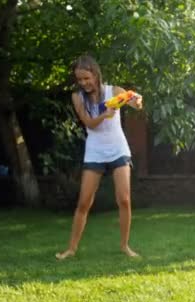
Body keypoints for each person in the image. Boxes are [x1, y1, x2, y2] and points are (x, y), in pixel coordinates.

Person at [56, 55, 142, 260]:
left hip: (118, 149)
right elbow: (88, 123)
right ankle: (71, 249)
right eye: (80, 80)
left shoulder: (115, 91)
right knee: (84, 202)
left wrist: (137, 100)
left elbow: (135, 102)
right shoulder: (77, 97)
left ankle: (124, 246)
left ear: (95, 74)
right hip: (95, 150)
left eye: (87, 78)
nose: (84, 83)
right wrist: (106, 113)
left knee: (124, 199)